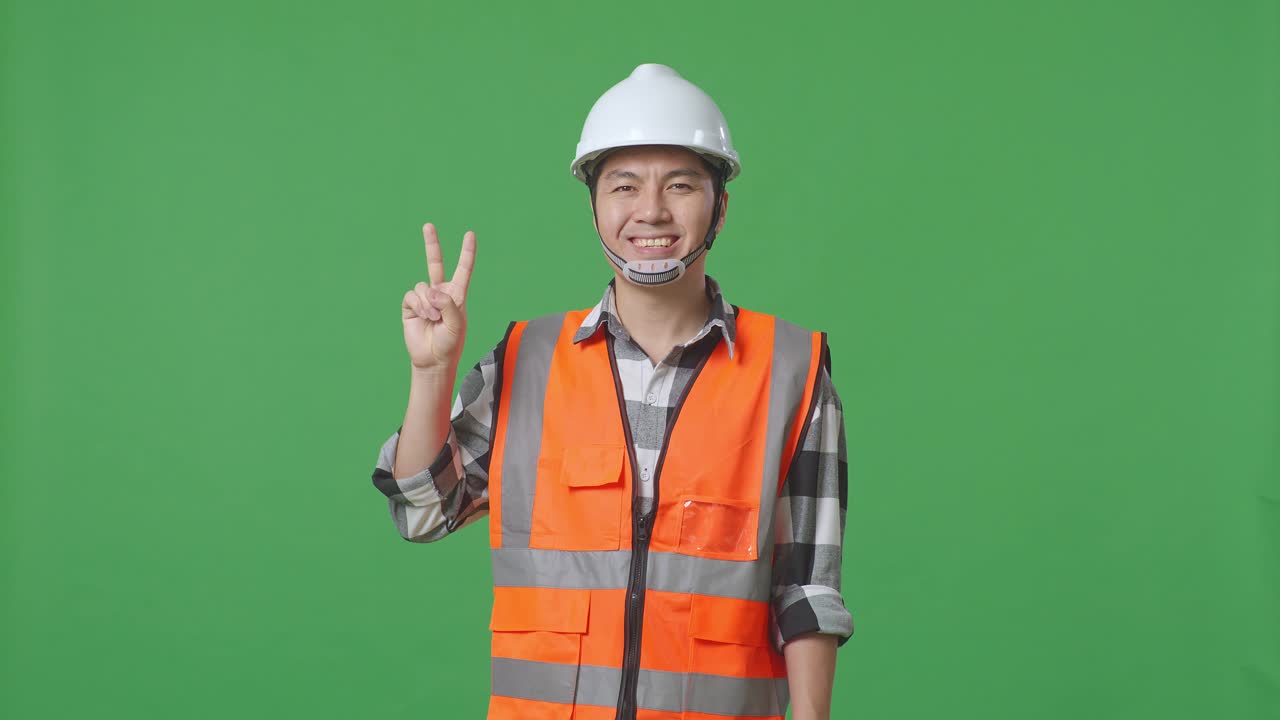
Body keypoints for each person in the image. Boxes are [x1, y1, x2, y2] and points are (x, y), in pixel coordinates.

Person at [371, 63, 853, 720]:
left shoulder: (793, 372)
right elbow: (423, 512)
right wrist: (433, 373)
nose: (650, 210)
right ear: (594, 206)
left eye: (680, 185)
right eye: (624, 186)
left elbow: (807, 594)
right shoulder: (526, 360)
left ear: (720, 205)